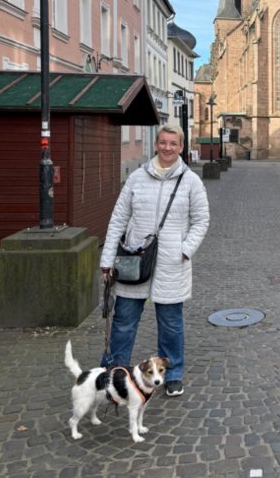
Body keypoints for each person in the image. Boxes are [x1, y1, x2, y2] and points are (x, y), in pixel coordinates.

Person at [100, 123, 209, 398]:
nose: (167, 148)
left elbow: (201, 220)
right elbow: (118, 219)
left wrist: (184, 250)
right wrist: (107, 260)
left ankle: (172, 374)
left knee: (171, 324)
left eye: (173, 143)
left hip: (171, 264)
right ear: (156, 144)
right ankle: (115, 374)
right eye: (163, 142)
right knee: (124, 321)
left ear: (181, 146)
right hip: (133, 262)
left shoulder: (190, 181)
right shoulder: (137, 178)